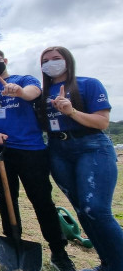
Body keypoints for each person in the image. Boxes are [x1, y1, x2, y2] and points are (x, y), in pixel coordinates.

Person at [0, 47, 74, 270]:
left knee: (41, 199)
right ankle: (12, 242)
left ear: (5, 60)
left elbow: (33, 92)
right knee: (6, 196)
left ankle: (59, 251)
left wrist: (19, 92)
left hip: (30, 149)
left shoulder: (23, 79)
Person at [39, 46, 123, 271]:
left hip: (91, 146)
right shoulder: (43, 92)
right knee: (81, 210)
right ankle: (108, 264)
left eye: (56, 58)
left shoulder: (89, 84)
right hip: (58, 149)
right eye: (45, 60)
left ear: (67, 60)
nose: (50, 63)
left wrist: (72, 112)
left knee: (96, 209)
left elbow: (102, 122)